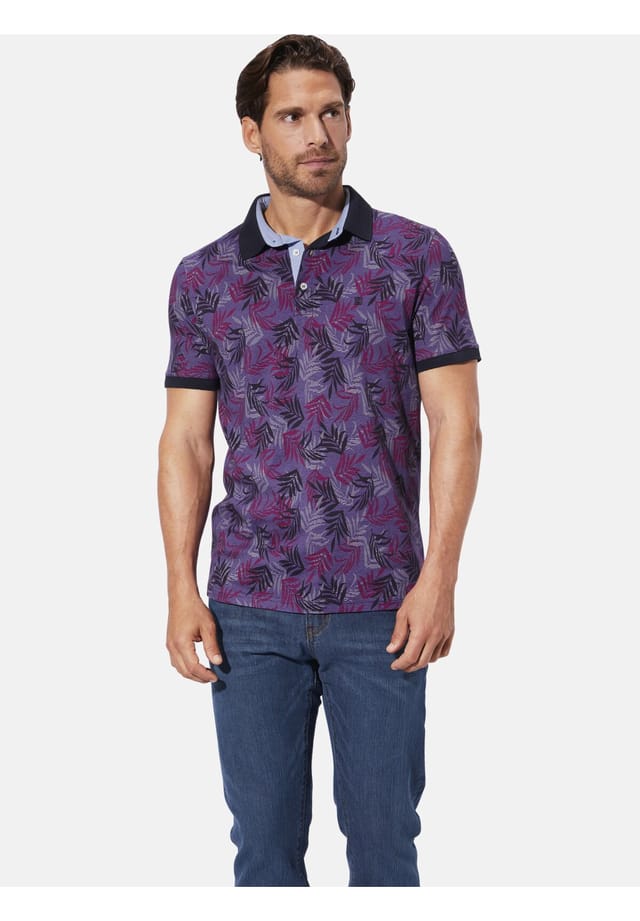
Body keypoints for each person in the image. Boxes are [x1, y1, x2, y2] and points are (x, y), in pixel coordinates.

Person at [157, 33, 482, 887]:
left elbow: (457, 424)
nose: (318, 134)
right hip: (247, 605)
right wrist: (181, 586)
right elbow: (186, 438)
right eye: (293, 116)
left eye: (332, 112)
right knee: (263, 857)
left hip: (383, 602)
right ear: (251, 132)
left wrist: (440, 578)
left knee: (384, 852)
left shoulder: (415, 256)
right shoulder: (204, 278)